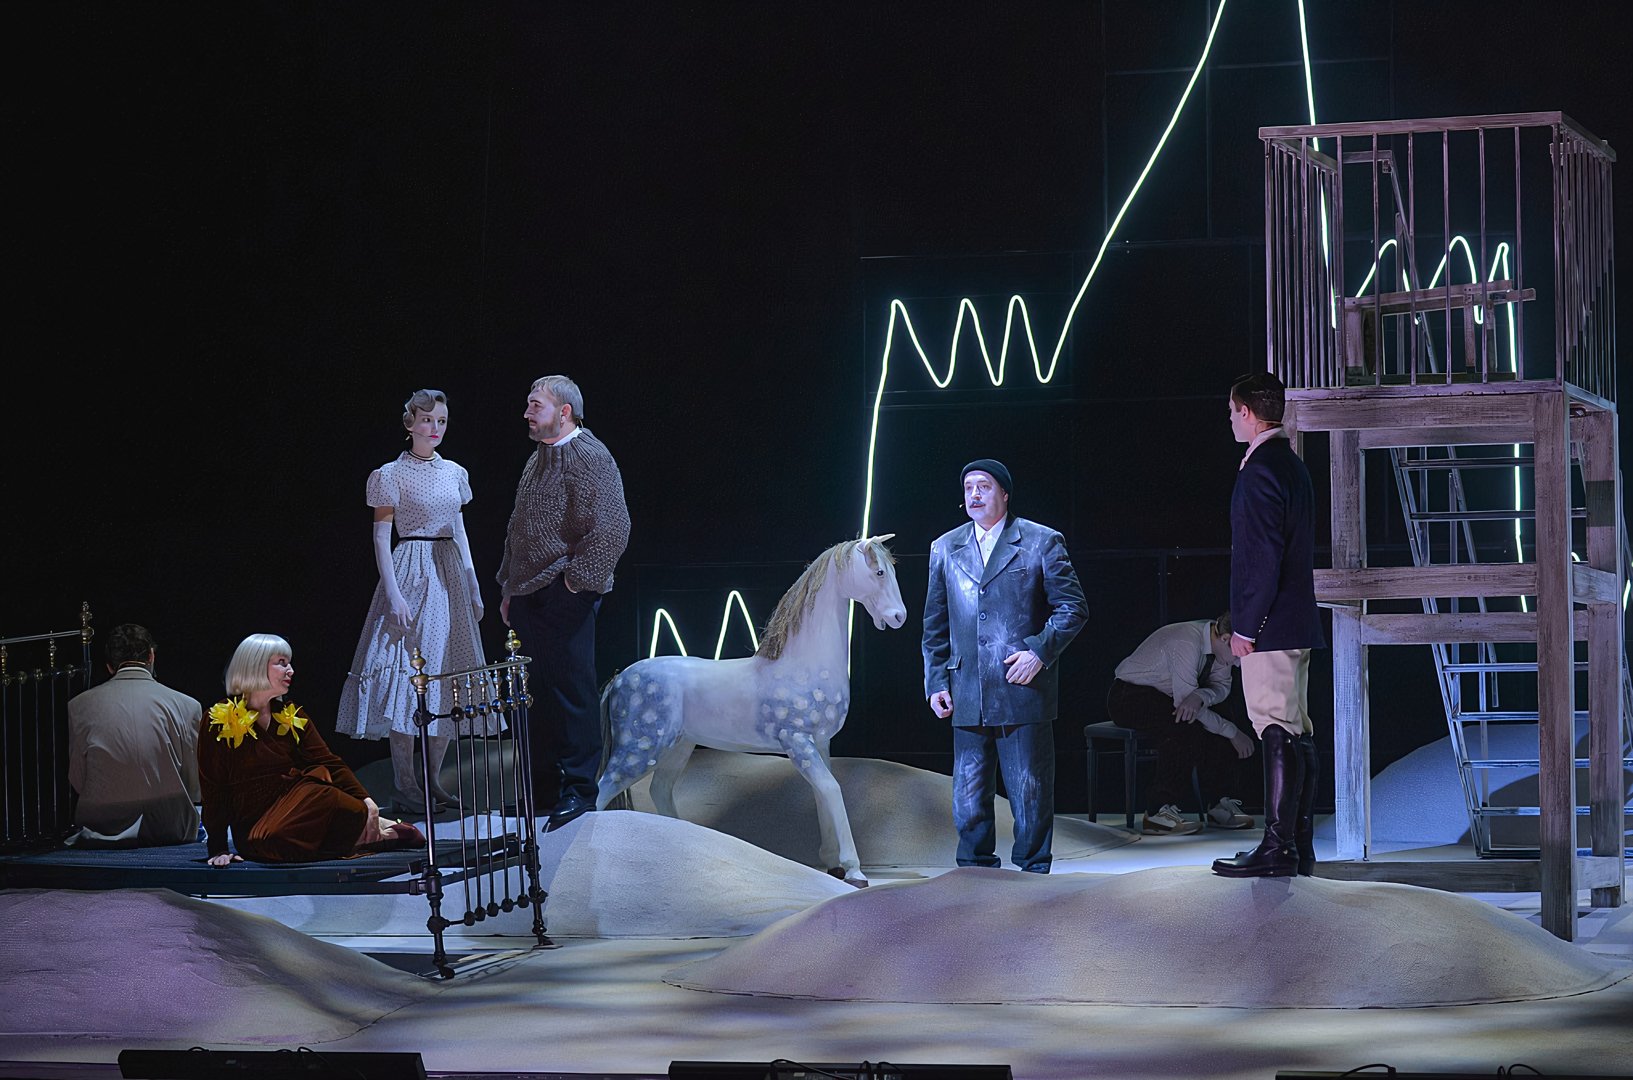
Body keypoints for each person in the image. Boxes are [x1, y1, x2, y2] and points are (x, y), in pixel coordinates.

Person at [922, 458, 1086, 873]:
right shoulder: (945, 547)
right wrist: (936, 681)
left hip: (1021, 686)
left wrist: (1039, 652)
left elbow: (1073, 608)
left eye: (984, 486)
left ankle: (1033, 873)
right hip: (966, 688)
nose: (974, 495)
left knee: (1030, 791)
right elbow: (934, 624)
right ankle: (975, 875)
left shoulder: (1040, 541)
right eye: (968, 488)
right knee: (968, 795)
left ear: (1005, 494)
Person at [337, 388, 491, 817]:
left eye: (441, 421)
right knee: (407, 676)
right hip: (412, 569)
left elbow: (460, 532)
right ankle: (405, 783)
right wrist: (393, 592)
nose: (434, 428)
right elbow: (380, 538)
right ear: (410, 424)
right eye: (427, 420)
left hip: (447, 572)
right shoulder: (390, 474)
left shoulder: (454, 472)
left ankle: (432, 780)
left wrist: (473, 584)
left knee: (446, 674)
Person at [498, 374, 631, 832]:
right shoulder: (538, 457)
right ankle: (541, 791)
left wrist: (575, 585)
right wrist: (508, 586)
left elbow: (613, 527)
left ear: (564, 411)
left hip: (564, 590)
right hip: (527, 593)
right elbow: (518, 526)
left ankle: (578, 790)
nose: (527, 412)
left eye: (535, 405)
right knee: (533, 695)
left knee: (572, 692)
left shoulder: (590, 456)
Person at [1212, 371, 1325, 878]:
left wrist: (1246, 627)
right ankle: (1296, 845)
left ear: (1247, 412)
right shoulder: (1291, 464)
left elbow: (1261, 558)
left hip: (1272, 624)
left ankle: (1280, 847)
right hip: (1294, 621)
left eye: (1232, 411)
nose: (1230, 420)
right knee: (1296, 726)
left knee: (1275, 726)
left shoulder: (1261, 469)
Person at [200, 633, 422, 866]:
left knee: (323, 797)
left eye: (289, 663)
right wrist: (218, 848)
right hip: (260, 825)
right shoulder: (219, 719)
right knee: (270, 844)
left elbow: (328, 761)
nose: (291, 671)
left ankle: (375, 827)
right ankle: (375, 836)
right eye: (281, 663)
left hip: (305, 804)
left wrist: (367, 800)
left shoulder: (291, 714)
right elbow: (213, 786)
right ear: (254, 665)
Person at [1107, 612, 1256, 835]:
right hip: (1129, 695)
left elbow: (1221, 688)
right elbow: (1184, 704)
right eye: (1240, 652)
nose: (1239, 662)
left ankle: (1218, 804)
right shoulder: (1187, 641)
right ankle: (1157, 812)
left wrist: (1201, 696)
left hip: (1166, 696)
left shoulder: (1220, 648)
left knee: (1221, 714)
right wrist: (1232, 732)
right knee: (1184, 726)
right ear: (1226, 639)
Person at [64, 623, 202, 847]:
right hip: (169, 826)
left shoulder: (78, 706)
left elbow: (78, 779)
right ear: (151, 656)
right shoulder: (188, 705)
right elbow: (194, 786)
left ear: (110, 666)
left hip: (101, 825)